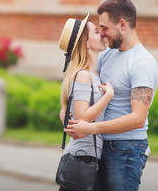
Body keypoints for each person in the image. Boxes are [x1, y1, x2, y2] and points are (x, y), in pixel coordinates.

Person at [64, 0, 158, 191]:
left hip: (127, 149)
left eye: (105, 28)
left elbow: (138, 119)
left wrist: (91, 128)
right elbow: (83, 86)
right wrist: (67, 113)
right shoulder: (107, 55)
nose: (103, 34)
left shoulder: (142, 63)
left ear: (122, 24)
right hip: (101, 146)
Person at [58, 14, 114, 191]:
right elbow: (82, 118)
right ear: (87, 43)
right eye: (97, 32)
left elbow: (64, 112)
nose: (102, 35)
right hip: (82, 159)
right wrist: (108, 96)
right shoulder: (83, 75)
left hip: (88, 158)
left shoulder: (93, 75)